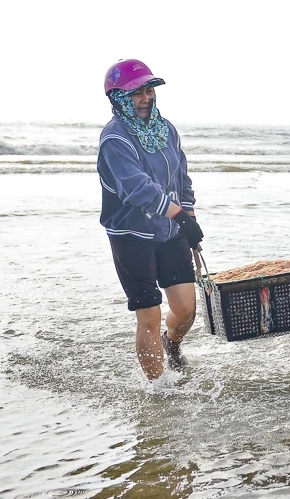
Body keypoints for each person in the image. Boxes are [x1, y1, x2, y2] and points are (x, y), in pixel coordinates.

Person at [97, 59, 205, 382]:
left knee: (186, 307)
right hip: (131, 235)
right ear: (118, 98)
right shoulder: (114, 140)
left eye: (148, 90)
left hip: (169, 230)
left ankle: (170, 344)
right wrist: (179, 215)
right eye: (135, 94)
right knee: (149, 314)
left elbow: (182, 178)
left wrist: (190, 219)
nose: (145, 98)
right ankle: (159, 389)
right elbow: (137, 189)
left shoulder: (167, 130)